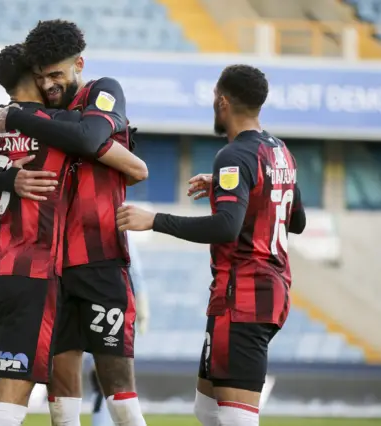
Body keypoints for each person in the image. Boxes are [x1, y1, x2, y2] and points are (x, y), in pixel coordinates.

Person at [0, 43, 147, 426]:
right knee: (28, 391)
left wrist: (13, 141)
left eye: (55, 75)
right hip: (42, 269)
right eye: (42, 76)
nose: (49, 83)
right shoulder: (52, 123)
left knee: (20, 388)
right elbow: (129, 165)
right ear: (31, 75)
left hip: (55, 262)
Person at [116, 64, 307, 426]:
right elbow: (297, 221)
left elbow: (225, 227)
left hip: (245, 296)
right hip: (259, 292)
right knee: (206, 411)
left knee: (235, 419)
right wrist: (230, 189)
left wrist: (154, 220)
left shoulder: (234, 155)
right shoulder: (280, 152)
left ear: (222, 101)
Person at [90, 236, 150, 426]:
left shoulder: (117, 218)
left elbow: (134, 268)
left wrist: (141, 303)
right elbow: (135, 269)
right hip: (106, 295)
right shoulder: (115, 218)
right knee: (111, 377)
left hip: (107, 296)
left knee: (109, 377)